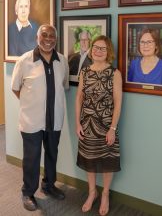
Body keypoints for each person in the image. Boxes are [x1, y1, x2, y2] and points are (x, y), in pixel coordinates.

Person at [11, 24, 69, 212]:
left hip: (55, 119)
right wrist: (32, 104)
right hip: (31, 121)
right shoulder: (25, 60)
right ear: (37, 37)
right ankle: (28, 192)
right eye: (44, 35)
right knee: (32, 158)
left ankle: (49, 185)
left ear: (56, 39)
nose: (48, 39)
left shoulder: (62, 60)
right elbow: (16, 88)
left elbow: (63, 86)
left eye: (52, 36)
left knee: (52, 154)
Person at [75, 35, 122, 216]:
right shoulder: (85, 72)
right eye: (95, 47)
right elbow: (79, 98)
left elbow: (118, 102)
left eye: (103, 48)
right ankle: (92, 192)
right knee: (89, 159)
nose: (98, 50)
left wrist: (113, 128)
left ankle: (105, 194)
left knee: (107, 161)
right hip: (87, 124)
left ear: (108, 51)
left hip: (106, 125)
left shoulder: (114, 73)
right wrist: (77, 122)